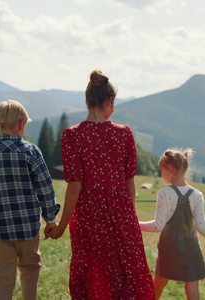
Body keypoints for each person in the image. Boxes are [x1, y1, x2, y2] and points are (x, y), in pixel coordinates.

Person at [47, 70, 155, 299]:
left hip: (89, 216)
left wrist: (61, 226)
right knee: (126, 270)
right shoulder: (124, 134)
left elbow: (74, 186)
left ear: (87, 102)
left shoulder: (72, 136)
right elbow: (129, 181)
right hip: (122, 212)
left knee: (94, 272)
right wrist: (130, 216)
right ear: (110, 102)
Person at [0, 99, 61, 300]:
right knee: (30, 268)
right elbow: (45, 188)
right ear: (21, 124)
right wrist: (51, 219)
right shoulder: (31, 151)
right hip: (28, 227)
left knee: (2, 275)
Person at [139, 148, 205, 300]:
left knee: (158, 286)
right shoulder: (197, 195)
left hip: (169, 250)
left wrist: (135, 224)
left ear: (170, 169)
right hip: (191, 250)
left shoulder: (165, 193)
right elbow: (202, 226)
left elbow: (157, 225)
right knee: (192, 290)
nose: (162, 175)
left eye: (162, 170)